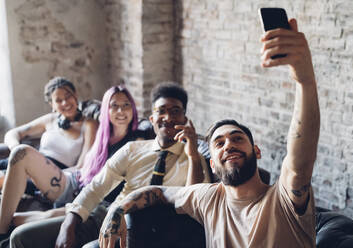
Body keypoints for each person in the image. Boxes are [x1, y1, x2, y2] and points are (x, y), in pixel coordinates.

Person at [98, 18, 320, 248]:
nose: (228, 145)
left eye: (237, 138)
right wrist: (116, 209)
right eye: (219, 143)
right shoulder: (209, 198)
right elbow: (159, 191)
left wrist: (304, 80)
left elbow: (299, 158)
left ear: (256, 151)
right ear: (212, 164)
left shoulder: (283, 198)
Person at [11, 82, 211, 248]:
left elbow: (194, 203)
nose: (168, 118)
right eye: (162, 111)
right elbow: (96, 187)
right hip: (103, 214)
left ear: (185, 118)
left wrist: (193, 155)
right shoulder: (133, 149)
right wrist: (68, 224)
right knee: (21, 237)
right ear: (152, 119)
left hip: (143, 229)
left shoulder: (194, 159)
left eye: (175, 112)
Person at [6, 84, 145, 247]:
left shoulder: (137, 141)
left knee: (22, 223)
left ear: (133, 109)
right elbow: (86, 169)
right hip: (81, 190)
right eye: (114, 106)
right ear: (106, 111)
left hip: (95, 204)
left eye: (126, 105)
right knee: (14, 220)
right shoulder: (103, 137)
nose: (120, 111)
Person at [0, 77, 98, 243]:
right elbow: (12, 134)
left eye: (68, 96)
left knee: (23, 153)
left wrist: (37, 172)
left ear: (76, 96)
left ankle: (1, 231)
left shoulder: (88, 125)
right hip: (30, 166)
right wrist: (17, 151)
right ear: (52, 105)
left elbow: (82, 166)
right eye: (58, 100)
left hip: (61, 175)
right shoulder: (50, 120)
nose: (65, 102)